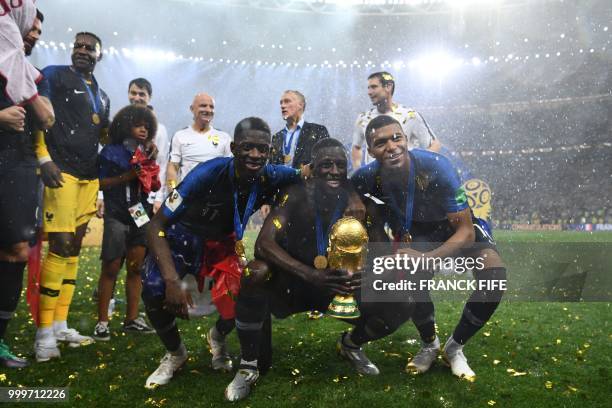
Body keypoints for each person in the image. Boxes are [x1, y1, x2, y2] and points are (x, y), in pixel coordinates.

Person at [142, 117, 305, 389]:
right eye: (247, 147)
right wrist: (172, 281)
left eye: (262, 149)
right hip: (181, 240)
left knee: (244, 295)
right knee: (154, 288)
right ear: (233, 147)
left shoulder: (271, 174)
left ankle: (217, 337)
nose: (255, 155)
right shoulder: (206, 173)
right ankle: (175, 354)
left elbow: (306, 174)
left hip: (223, 245)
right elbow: (156, 225)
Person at [351, 115, 506, 381]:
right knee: (410, 280)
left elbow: (466, 232)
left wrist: (428, 258)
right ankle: (429, 344)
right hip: (416, 233)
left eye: (396, 138)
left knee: (494, 277)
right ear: (370, 150)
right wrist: (368, 215)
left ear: (406, 139)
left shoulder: (438, 165)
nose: (391, 146)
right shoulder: (366, 176)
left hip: (454, 227)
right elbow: (344, 198)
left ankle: (455, 347)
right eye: (380, 142)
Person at [226, 138, 380, 401]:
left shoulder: (359, 203)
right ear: (313, 167)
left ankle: (351, 344)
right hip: (292, 284)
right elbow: (263, 244)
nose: (333, 171)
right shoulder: (295, 194)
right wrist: (309, 273)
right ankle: (248, 365)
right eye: (326, 165)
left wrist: (366, 273)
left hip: (335, 287)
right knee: (255, 272)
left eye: (340, 165)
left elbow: (381, 252)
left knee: (400, 301)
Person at [33, 31, 110, 362]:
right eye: (78, 46)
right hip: (60, 170)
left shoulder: (103, 96)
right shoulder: (54, 74)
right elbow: (38, 112)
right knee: (60, 246)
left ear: (99, 55)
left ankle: (62, 324)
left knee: (75, 248)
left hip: (89, 177)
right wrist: (42, 156)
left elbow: (103, 135)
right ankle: (43, 333)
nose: (81, 51)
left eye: (88, 48)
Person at [0, 8, 52, 368]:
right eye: (28, 26)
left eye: (37, 30)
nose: (33, 33)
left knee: (17, 251)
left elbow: (47, 117)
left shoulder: (32, 76)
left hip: (17, 165)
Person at [92, 105, 159, 341]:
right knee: (110, 267)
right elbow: (98, 183)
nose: (143, 129)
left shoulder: (147, 151)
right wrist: (126, 177)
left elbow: (152, 183)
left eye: (146, 126)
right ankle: (102, 322)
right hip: (117, 213)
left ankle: (131, 319)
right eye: (138, 124)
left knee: (136, 267)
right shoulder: (110, 153)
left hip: (140, 212)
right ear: (125, 125)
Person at [351, 72, 440, 169]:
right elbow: (356, 147)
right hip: (375, 181)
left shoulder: (410, 116)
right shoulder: (363, 118)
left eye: (374, 87)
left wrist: (420, 168)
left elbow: (434, 144)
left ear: (388, 87)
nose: (369, 92)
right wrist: (358, 171)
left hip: (404, 179)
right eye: (368, 88)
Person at [0, 0, 54, 128]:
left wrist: (23, 76)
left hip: (21, 147)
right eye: (31, 29)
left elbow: (48, 119)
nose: (35, 36)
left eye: (39, 32)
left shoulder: (37, 76)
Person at [165, 92, 231, 190]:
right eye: (203, 106)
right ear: (192, 109)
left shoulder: (225, 138)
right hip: (187, 198)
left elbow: (230, 170)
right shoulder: (180, 136)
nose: (208, 110)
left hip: (214, 199)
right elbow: (173, 168)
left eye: (211, 107)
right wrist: (173, 196)